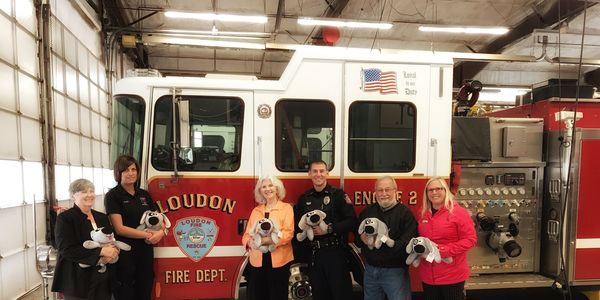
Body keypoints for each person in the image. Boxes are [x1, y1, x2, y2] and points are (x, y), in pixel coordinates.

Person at [294, 160, 358, 300]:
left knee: (341, 294)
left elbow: (352, 221)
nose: (318, 174)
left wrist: (329, 229)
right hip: (314, 255)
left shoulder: (339, 195)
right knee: (319, 294)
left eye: (322, 171)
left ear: (327, 173)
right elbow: (297, 228)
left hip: (335, 254)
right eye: (315, 171)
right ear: (309, 174)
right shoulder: (304, 199)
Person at [105, 155, 165, 300]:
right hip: (125, 253)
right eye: (126, 170)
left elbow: (158, 219)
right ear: (118, 173)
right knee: (126, 291)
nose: (131, 173)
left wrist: (161, 232)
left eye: (133, 169)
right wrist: (148, 235)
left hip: (145, 252)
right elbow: (119, 228)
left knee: (145, 288)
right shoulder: (113, 196)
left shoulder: (144, 194)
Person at [52, 178, 120, 300]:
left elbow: (111, 239)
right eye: (84, 192)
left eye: (91, 191)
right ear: (73, 195)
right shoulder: (65, 218)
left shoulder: (102, 217)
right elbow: (66, 249)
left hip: (102, 280)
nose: (89, 195)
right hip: (77, 281)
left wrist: (114, 251)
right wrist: (101, 252)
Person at [356, 176, 418, 300]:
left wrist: (387, 243)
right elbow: (357, 239)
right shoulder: (367, 212)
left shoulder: (405, 214)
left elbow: (407, 244)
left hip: (395, 272)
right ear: (375, 192)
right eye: (380, 190)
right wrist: (362, 239)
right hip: (371, 270)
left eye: (387, 189)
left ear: (395, 191)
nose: (383, 194)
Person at [417, 177, 477, 300]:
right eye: (430, 190)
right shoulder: (423, 214)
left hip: (452, 276)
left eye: (438, 189)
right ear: (426, 194)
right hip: (428, 276)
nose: (434, 193)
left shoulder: (459, 213)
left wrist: (444, 250)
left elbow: (470, 239)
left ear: (446, 191)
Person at [242, 175, 295, 300]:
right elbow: (246, 235)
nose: (267, 189)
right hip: (257, 261)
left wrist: (269, 241)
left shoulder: (286, 208)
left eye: (270, 185)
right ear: (260, 191)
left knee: (278, 295)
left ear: (277, 188)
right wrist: (250, 243)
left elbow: (288, 233)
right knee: (259, 295)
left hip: (280, 261)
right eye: (263, 187)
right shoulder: (256, 211)